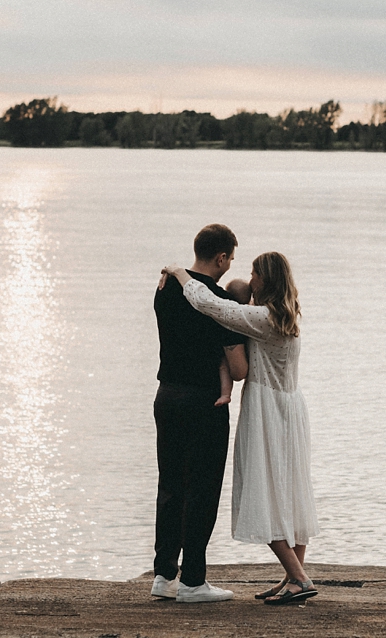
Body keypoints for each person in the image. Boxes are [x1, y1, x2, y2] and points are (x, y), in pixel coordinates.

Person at [162, 252, 319, 605]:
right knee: (291, 492)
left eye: (253, 272)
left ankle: (298, 577)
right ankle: (295, 576)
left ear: (265, 279)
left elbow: (209, 303)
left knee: (261, 490)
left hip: (267, 409)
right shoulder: (286, 315)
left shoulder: (261, 317)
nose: (249, 277)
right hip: (291, 408)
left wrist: (177, 272)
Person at [150, 224, 248, 603]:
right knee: (202, 490)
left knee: (170, 487)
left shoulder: (165, 288)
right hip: (203, 401)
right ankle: (192, 581)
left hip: (166, 396)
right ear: (221, 257)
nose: (229, 265)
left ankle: (164, 575)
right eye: (231, 258)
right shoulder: (218, 301)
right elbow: (238, 369)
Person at [213, 279, 253, 407]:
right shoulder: (249, 313)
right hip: (244, 347)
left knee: (224, 366)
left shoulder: (228, 314)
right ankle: (226, 395)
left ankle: (226, 395)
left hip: (230, 348)